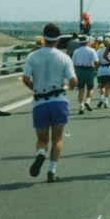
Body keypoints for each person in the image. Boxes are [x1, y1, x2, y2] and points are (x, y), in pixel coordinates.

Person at [22, 23, 77, 182]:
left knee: (42, 139)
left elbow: (25, 78)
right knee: (57, 138)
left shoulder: (32, 56)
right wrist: (69, 87)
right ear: (58, 40)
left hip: (40, 101)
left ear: (43, 37)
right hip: (58, 100)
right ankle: (52, 171)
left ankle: (40, 154)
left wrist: (35, 88)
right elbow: (73, 80)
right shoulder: (64, 57)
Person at [71, 35, 99, 114]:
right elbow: (96, 61)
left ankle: (81, 106)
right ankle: (88, 101)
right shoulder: (92, 50)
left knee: (81, 89)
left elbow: (73, 64)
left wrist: (76, 71)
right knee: (90, 88)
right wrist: (95, 68)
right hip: (89, 70)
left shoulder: (76, 51)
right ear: (87, 42)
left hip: (79, 70)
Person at [96, 38, 110, 108]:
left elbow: (97, 61)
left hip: (101, 69)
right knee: (108, 87)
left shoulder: (99, 50)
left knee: (101, 86)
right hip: (109, 69)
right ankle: (106, 101)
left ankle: (101, 98)